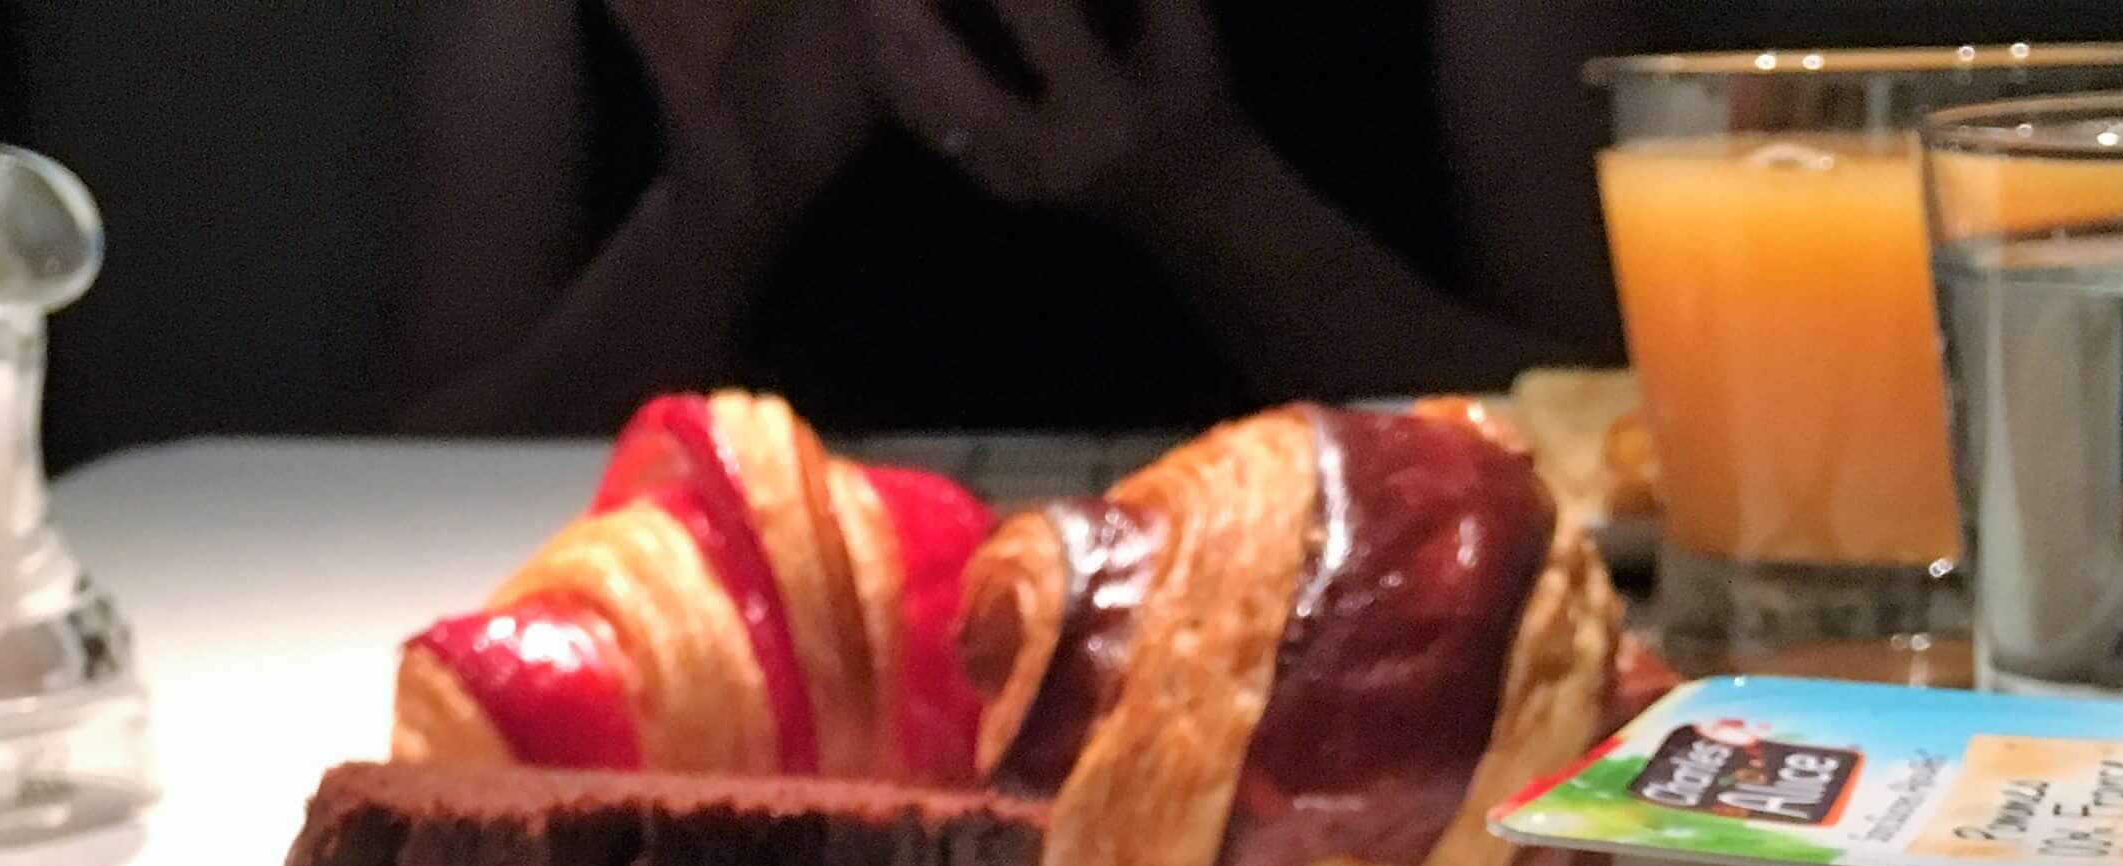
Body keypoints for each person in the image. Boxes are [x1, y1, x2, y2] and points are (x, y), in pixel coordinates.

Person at [385, 0, 1627, 434]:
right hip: (712, 690)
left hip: (1336, 665)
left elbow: (1630, 441)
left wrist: (1204, 191)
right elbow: (402, 481)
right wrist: (715, 211)